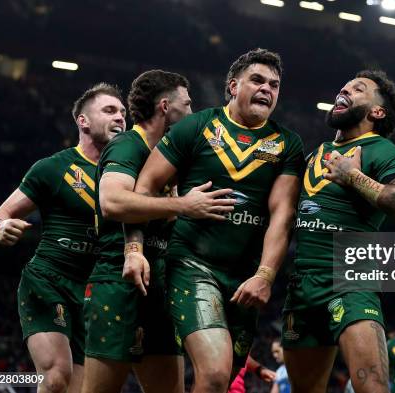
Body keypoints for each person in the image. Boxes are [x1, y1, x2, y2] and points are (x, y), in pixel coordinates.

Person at [128, 48, 305, 393]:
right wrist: (180, 207)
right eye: (257, 80)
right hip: (192, 265)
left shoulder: (287, 144)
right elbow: (144, 189)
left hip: (245, 279)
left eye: (274, 84)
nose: (267, 89)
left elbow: (282, 215)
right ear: (232, 86)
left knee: (221, 382)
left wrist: (266, 276)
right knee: (213, 373)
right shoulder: (196, 126)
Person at [282, 69, 395, 393]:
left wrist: (354, 177)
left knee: (372, 387)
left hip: (350, 282)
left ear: (377, 112)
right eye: (343, 86)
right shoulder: (314, 154)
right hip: (301, 287)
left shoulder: (382, 151)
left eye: (357, 89)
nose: (343, 91)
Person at [0, 83, 126, 393]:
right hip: (49, 281)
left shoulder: (129, 175)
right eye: (109, 110)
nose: (119, 117)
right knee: (55, 378)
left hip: (95, 293)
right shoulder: (52, 168)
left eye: (122, 112)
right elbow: (1, 214)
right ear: (83, 121)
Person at [81, 70, 203, 393]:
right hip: (117, 281)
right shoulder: (127, 145)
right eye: (187, 104)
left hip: (160, 282)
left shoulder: (167, 157)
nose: (192, 113)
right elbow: (113, 202)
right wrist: (183, 206)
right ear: (165, 106)